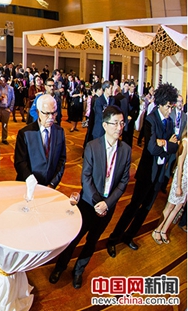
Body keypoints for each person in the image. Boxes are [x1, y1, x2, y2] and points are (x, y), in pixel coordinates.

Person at [49, 106, 132, 289]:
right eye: (115, 123)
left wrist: (107, 204)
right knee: (74, 238)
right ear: (105, 125)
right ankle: (60, 267)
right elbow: (85, 177)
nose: (120, 127)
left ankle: (79, 270)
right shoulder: (93, 146)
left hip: (107, 207)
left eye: (122, 123)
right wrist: (97, 201)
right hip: (88, 204)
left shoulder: (125, 150)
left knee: (92, 241)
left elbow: (123, 182)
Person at [107, 83, 179, 256]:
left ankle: (129, 236)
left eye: (172, 107)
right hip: (147, 173)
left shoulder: (169, 122)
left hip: (159, 174)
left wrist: (165, 144)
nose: (171, 110)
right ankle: (113, 239)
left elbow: (174, 147)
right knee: (133, 207)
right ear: (161, 104)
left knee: (145, 209)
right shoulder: (150, 119)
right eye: (169, 107)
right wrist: (167, 144)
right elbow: (152, 148)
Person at [14, 94, 66, 188]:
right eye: (47, 113)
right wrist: (31, 181)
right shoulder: (25, 133)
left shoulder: (60, 132)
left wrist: (53, 183)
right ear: (38, 112)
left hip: (50, 186)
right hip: (27, 186)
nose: (51, 117)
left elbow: (61, 160)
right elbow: (20, 162)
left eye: (54, 113)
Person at [153, 127, 187, 244]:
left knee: (178, 207)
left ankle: (164, 230)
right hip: (181, 179)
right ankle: (157, 230)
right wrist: (178, 186)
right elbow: (180, 164)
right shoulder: (186, 141)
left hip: (187, 182)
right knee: (170, 206)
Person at [0, 75, 15, 145]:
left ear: (6, 81)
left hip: (6, 109)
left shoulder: (10, 88)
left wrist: (11, 109)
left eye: (3, 81)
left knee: (5, 124)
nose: (2, 82)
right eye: (0, 80)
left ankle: (4, 138)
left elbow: (13, 99)